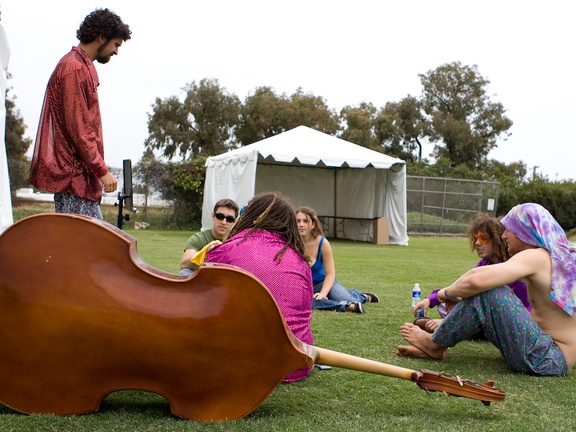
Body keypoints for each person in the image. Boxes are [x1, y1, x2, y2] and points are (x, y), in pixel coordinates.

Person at [397, 203, 576, 376]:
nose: (503, 236)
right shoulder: (563, 258)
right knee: (486, 290)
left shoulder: (538, 256)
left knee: (490, 291)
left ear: (524, 231)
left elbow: (474, 281)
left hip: (547, 358)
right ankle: (436, 345)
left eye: (508, 229)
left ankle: (434, 345)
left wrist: (442, 295)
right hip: (548, 355)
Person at [29, 9, 131, 218]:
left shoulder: (79, 66)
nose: (116, 51)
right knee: (79, 239)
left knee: (91, 238)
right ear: (101, 37)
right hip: (73, 180)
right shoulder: (74, 68)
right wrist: (102, 171)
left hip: (80, 180)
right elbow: (79, 129)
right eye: (116, 44)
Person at [205, 193, 314, 382]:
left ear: (252, 216)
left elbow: (204, 299)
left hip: (237, 358)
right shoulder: (301, 261)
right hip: (295, 363)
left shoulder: (226, 250)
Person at [413, 213, 530, 333]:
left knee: (474, 300)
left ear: (497, 239)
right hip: (491, 314)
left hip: (512, 321)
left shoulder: (512, 266)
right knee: (447, 301)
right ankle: (457, 325)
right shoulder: (486, 262)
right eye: (475, 238)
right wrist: (431, 299)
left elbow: (497, 305)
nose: (478, 243)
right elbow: (460, 287)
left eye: (483, 238)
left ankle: (451, 325)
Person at [296, 206, 379, 314]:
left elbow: (330, 274)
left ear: (313, 224)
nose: (301, 224)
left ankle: (362, 296)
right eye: (298, 221)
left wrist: (323, 293)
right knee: (302, 302)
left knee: (350, 300)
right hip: (303, 287)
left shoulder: (323, 243)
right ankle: (343, 306)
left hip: (323, 283)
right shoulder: (292, 244)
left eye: (305, 221)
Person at [178, 198, 239, 275]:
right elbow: (184, 265)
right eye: (220, 216)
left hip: (225, 278)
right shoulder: (199, 238)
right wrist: (205, 253)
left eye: (229, 219)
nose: (224, 222)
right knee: (184, 273)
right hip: (201, 278)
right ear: (213, 216)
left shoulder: (238, 241)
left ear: (234, 221)